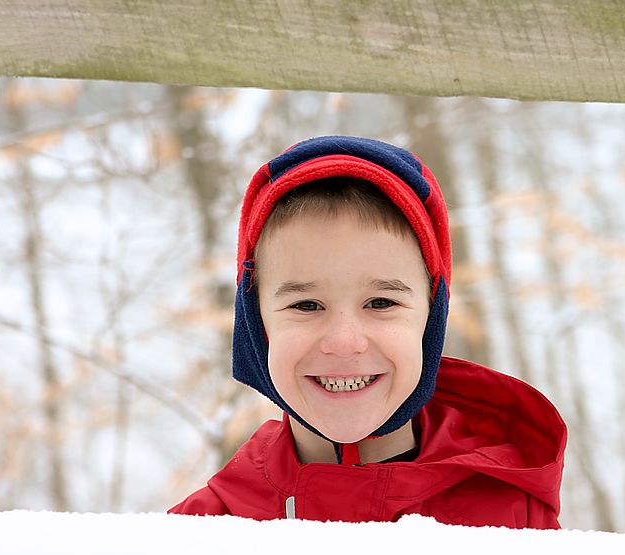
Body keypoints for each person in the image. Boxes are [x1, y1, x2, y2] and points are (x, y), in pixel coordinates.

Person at [169, 135, 567, 528]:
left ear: (431, 316)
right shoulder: (204, 531)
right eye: (306, 305)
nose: (344, 342)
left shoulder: (513, 520)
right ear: (258, 325)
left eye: (381, 303)